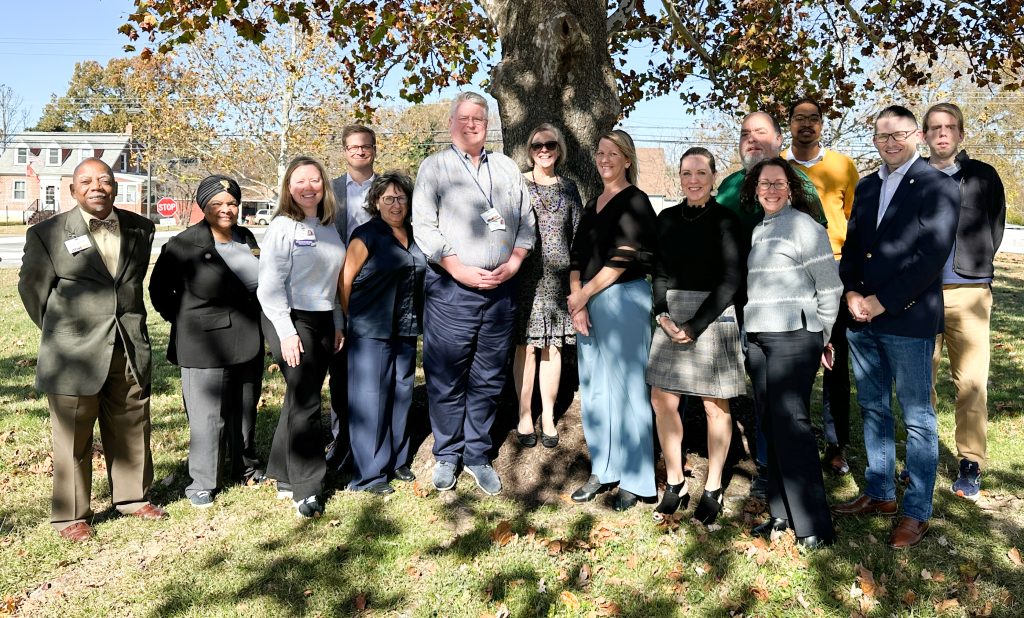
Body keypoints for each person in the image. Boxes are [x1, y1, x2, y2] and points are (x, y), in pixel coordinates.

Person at [18, 157, 166, 541]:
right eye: (86, 181)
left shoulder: (140, 228)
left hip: (128, 344)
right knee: (72, 436)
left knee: (132, 424)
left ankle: (133, 497)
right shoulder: (47, 234)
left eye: (105, 179)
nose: (96, 187)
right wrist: (64, 332)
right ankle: (71, 516)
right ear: (73, 190)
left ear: (115, 185)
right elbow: (32, 291)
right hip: (73, 354)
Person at [833, 105, 960, 550]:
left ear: (916, 137)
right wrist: (850, 293)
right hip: (861, 320)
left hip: (905, 320)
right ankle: (881, 492)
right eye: (881, 135)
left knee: (918, 419)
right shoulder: (866, 187)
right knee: (872, 408)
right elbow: (851, 250)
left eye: (898, 134)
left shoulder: (939, 186)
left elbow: (931, 256)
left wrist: (881, 302)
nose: (890, 142)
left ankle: (915, 512)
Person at [412, 91, 536, 495]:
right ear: (452, 123)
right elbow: (424, 227)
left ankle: (478, 454)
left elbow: (526, 223)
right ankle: (448, 452)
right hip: (451, 289)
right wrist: (456, 267)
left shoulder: (506, 168)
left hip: (501, 289)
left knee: (488, 376)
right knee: (447, 375)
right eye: (464, 118)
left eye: (479, 119)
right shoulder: (434, 168)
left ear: (488, 125)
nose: (472, 125)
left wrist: (514, 263)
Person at [715, 110, 824, 499]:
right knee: (760, 392)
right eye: (745, 133)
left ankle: (788, 470)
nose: (752, 139)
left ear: (780, 141)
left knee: (787, 398)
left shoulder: (799, 185)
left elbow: (817, 249)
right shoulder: (727, 187)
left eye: (761, 132)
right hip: (739, 308)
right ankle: (767, 465)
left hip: (788, 314)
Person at [741, 157, 842, 548]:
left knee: (793, 427)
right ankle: (781, 514)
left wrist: (823, 334)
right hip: (760, 340)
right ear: (755, 188)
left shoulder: (805, 226)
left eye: (778, 183)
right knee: (771, 426)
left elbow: (829, 288)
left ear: (790, 187)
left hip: (795, 337)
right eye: (764, 183)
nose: (770, 189)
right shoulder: (759, 230)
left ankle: (815, 526)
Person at [149, 175, 265, 509]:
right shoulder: (183, 244)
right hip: (203, 342)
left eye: (231, 203)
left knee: (244, 409)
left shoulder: (245, 236)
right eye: (217, 204)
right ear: (203, 206)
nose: (226, 210)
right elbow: (159, 292)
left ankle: (245, 467)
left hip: (248, 337)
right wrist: (187, 320)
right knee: (207, 416)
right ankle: (202, 481)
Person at [647, 147, 747, 523]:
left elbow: (731, 280)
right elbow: (658, 270)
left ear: (713, 177)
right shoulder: (667, 218)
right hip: (671, 316)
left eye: (701, 173)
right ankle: (675, 482)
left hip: (713, 315)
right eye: (687, 173)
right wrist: (662, 313)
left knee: (713, 405)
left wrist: (696, 325)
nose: (693, 180)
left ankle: (715, 486)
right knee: (662, 399)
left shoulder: (726, 220)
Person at [567, 129, 657, 511]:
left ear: (627, 159)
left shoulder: (635, 201)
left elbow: (621, 258)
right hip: (586, 301)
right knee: (595, 389)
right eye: (600, 153)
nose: (604, 159)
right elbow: (575, 256)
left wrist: (583, 295)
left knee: (628, 390)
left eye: (612, 153)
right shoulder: (592, 203)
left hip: (623, 300)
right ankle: (603, 468)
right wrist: (578, 300)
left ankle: (635, 478)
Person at [923, 102, 1006, 501]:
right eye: (935, 127)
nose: (942, 133)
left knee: (971, 381)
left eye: (950, 127)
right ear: (924, 135)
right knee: (920, 381)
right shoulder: (913, 177)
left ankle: (970, 462)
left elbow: (996, 225)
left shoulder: (983, 176)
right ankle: (922, 457)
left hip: (969, 293)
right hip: (918, 296)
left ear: (960, 134)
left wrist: (978, 265)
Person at [258, 156, 346, 518]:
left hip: (324, 318)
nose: (308, 187)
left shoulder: (328, 226)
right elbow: (269, 285)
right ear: (288, 188)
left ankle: (282, 472)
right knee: (309, 401)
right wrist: (286, 332)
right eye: (300, 181)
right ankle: (307, 488)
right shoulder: (282, 226)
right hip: (290, 318)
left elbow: (333, 281)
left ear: (324, 186)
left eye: (315, 180)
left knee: (301, 396)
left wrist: (338, 322)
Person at [783, 96, 861, 476]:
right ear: (790, 123)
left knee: (835, 362)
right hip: (789, 274)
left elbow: (854, 219)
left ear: (822, 125)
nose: (807, 125)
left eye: (814, 119)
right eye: (800, 118)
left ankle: (836, 445)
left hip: (833, 269)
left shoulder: (843, 166)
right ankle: (793, 437)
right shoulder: (778, 166)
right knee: (794, 358)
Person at [340, 172, 426, 494]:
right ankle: (369, 475)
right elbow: (345, 281)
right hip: (370, 330)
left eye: (401, 198)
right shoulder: (366, 235)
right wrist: (352, 320)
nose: (395, 204)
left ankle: (397, 461)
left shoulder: (415, 235)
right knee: (371, 400)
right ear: (376, 202)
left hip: (404, 329)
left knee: (401, 395)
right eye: (388, 198)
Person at [512, 123, 583, 449]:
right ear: (529, 149)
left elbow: (579, 237)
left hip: (557, 282)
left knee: (552, 348)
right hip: (523, 277)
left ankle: (549, 416)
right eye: (538, 144)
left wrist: (576, 282)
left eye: (550, 144)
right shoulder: (516, 184)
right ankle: (525, 414)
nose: (544, 149)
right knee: (525, 348)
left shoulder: (569, 189)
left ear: (559, 149)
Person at [326, 124, 378, 474]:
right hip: (335, 285)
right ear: (344, 151)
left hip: (378, 287)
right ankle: (339, 439)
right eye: (352, 147)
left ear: (374, 149)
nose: (359, 152)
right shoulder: (329, 190)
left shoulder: (389, 189)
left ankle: (373, 438)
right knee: (340, 365)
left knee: (376, 368)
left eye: (365, 146)